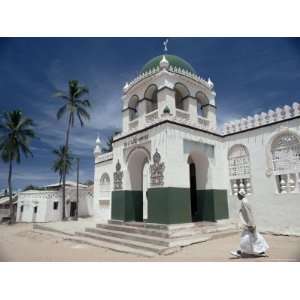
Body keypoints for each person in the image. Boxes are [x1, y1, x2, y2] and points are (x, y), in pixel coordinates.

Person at [230, 189, 269, 257]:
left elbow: (249, 213)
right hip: (248, 224)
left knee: (246, 238)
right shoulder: (244, 201)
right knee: (253, 238)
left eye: (238, 195)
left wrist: (251, 225)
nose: (237, 196)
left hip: (248, 224)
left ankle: (239, 252)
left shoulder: (244, 202)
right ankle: (261, 251)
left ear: (241, 195)